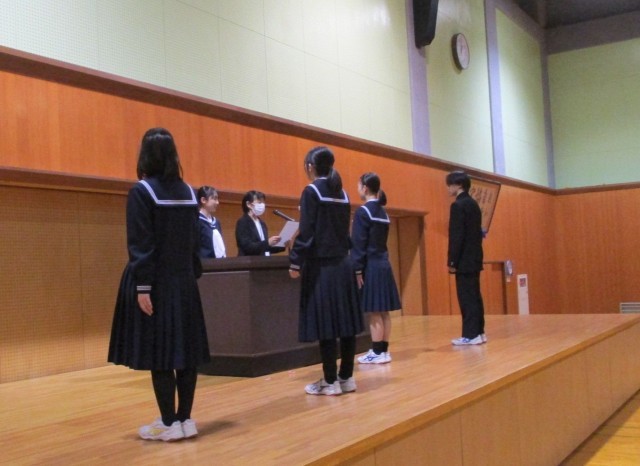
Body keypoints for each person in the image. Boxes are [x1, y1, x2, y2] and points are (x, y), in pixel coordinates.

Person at [108, 127, 210, 441]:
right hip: (185, 282)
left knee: (161, 353)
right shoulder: (190, 192)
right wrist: (190, 276)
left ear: (145, 155)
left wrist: (142, 287)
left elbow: (141, 244)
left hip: (157, 284)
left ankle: (168, 422)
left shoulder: (142, 192)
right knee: (186, 352)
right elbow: (194, 242)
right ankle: (185, 420)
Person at [289, 146, 363, 396]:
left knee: (327, 325)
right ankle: (347, 378)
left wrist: (295, 261)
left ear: (310, 166)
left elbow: (307, 232)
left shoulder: (311, 191)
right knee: (346, 324)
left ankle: (330, 381)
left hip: (322, 267)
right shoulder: (343, 193)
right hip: (344, 264)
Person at [351, 173, 401, 364]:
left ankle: (377, 352)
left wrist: (357, 269)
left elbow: (358, 244)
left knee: (374, 311)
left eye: (358, 185)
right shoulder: (383, 213)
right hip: (384, 264)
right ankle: (383, 351)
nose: (357, 189)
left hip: (371, 266)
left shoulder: (363, 212)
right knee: (384, 311)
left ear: (365, 188)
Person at [446, 170, 486, 345]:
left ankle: (470, 335)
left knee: (466, 297)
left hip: (463, 260)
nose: (448, 188)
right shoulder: (474, 204)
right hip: (475, 257)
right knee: (475, 295)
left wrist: (452, 261)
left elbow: (457, 236)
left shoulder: (458, 205)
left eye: (450, 184)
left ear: (459, 185)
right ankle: (479, 332)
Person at [235, 190, 285, 256]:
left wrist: (282, 245)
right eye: (259, 202)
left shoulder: (262, 223)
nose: (262, 205)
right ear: (248, 204)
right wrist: (267, 243)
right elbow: (247, 247)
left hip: (263, 260)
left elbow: (264, 248)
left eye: (263, 202)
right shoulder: (243, 222)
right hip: (249, 261)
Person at [198, 185, 226, 258]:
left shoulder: (216, 222)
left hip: (218, 262)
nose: (217, 202)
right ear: (203, 200)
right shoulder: (197, 221)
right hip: (204, 262)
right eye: (214, 199)